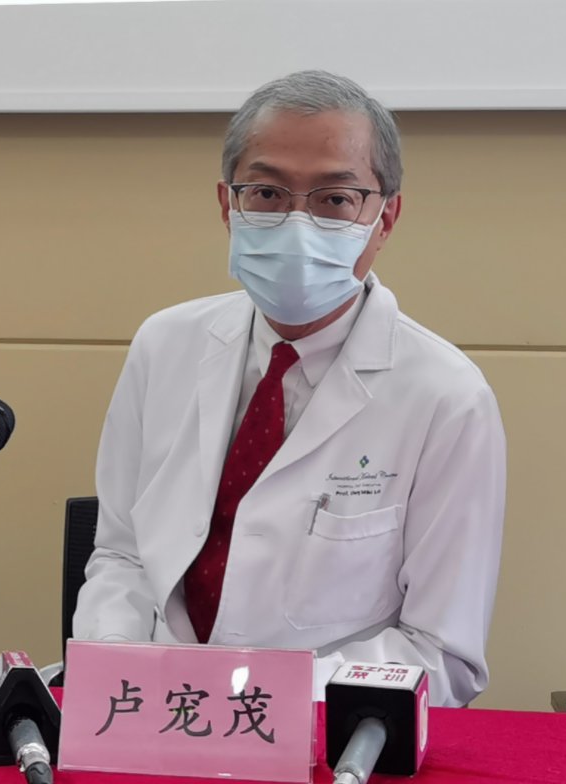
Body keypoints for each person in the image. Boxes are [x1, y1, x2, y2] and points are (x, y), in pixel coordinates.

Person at [73, 71, 506, 707]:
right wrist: (118, 669)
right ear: (227, 205)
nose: (296, 224)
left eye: (335, 199)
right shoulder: (163, 345)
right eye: (268, 193)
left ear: (385, 218)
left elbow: (441, 653)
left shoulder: (447, 396)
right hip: (154, 712)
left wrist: (257, 701)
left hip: (329, 731)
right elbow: (123, 556)